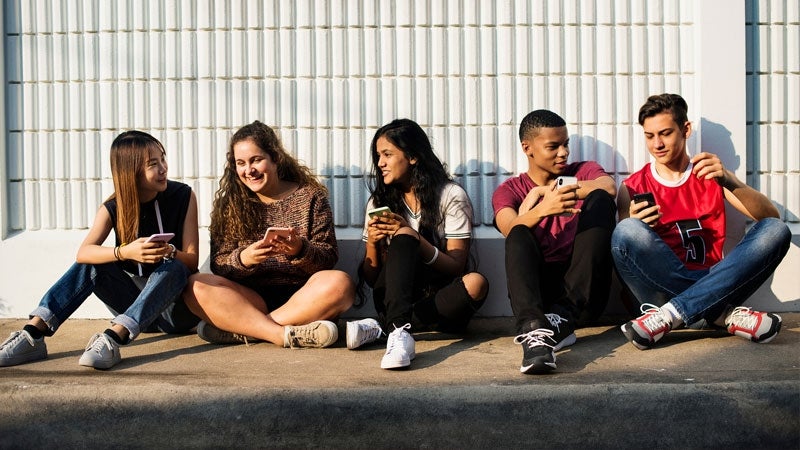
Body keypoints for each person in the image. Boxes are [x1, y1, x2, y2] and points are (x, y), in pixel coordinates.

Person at [0, 131, 201, 369]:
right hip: (132, 306)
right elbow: (83, 253)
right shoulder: (113, 207)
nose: (163, 168)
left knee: (175, 266)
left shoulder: (183, 195)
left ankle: (114, 338)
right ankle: (33, 333)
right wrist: (124, 252)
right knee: (93, 263)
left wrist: (169, 252)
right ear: (131, 171)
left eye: (163, 159)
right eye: (153, 164)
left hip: (174, 311)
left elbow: (192, 260)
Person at [612, 93, 791, 349]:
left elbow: (768, 217)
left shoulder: (708, 173)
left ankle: (672, 316)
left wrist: (730, 180)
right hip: (662, 291)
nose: (657, 144)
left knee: (776, 230)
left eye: (665, 133)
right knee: (627, 230)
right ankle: (722, 315)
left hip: (716, 279)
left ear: (685, 129)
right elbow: (628, 256)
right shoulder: (633, 187)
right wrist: (638, 225)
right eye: (649, 136)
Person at [183, 120, 354, 348]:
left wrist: (300, 249)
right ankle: (282, 334)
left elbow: (329, 257)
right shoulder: (230, 204)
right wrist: (244, 259)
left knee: (341, 283)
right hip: (250, 298)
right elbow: (219, 264)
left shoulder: (311, 197)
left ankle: (248, 329)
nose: (248, 170)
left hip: (303, 296)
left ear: (275, 158)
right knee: (194, 285)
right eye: (240, 163)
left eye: (256, 160)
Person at [348, 118, 489, 370]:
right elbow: (372, 278)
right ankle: (399, 331)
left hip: (438, 299)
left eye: (387, 154)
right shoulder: (379, 201)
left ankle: (384, 328)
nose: (380, 163)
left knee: (476, 283)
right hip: (395, 295)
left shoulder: (450, 195)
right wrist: (372, 241)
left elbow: (457, 266)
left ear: (413, 156)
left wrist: (415, 239)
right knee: (403, 238)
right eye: (378, 155)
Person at [492, 109, 617, 374]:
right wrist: (542, 206)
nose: (563, 152)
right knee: (519, 232)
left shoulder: (584, 170)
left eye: (565, 144)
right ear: (528, 148)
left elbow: (608, 188)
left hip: (583, 291)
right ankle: (535, 333)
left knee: (601, 200)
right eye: (553, 146)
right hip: (540, 294)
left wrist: (553, 190)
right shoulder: (509, 191)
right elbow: (508, 228)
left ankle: (564, 318)